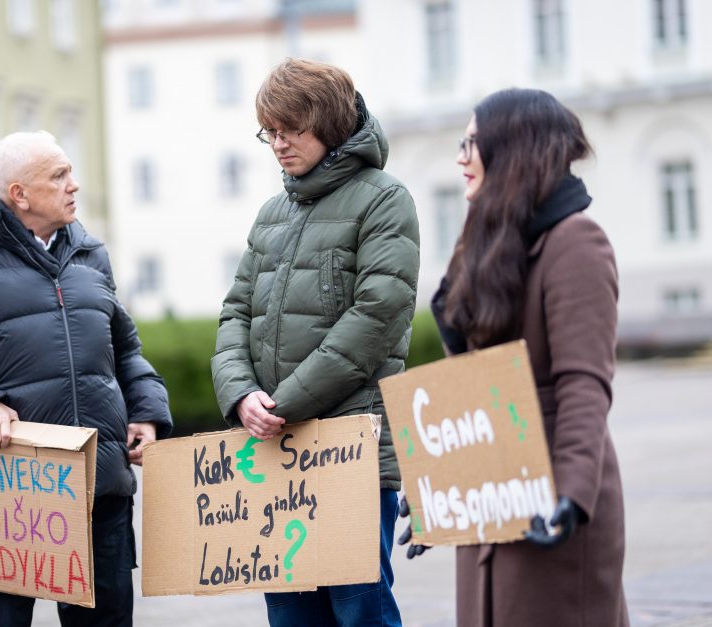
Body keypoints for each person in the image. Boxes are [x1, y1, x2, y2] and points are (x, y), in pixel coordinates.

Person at [0, 130, 173, 627]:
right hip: (12, 493)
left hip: (101, 486)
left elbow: (124, 350)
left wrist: (146, 412)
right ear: (19, 193)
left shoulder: (91, 255)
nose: (74, 185)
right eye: (59, 176)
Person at [401, 88, 629, 627]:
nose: (460, 156)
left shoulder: (575, 241)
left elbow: (584, 383)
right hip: (496, 488)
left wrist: (571, 497)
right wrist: (446, 489)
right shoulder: (494, 238)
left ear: (513, 149)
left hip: (551, 491)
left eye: (472, 143)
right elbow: (477, 384)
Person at [211, 58, 420, 627]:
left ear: (328, 124)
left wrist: (285, 403)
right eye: (269, 132)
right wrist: (240, 395)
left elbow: (377, 316)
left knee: (360, 609)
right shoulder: (271, 213)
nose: (277, 144)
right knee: (290, 610)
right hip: (278, 452)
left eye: (290, 130)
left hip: (350, 446)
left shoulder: (384, 199)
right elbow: (235, 312)